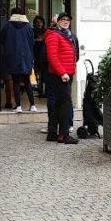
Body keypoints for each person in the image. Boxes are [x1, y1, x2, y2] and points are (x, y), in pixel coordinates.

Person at [45, 12, 79, 144]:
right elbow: (52, 57)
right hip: (61, 75)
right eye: (63, 20)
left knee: (58, 104)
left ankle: (52, 133)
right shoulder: (54, 35)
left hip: (66, 73)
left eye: (68, 20)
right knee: (65, 104)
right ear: (58, 21)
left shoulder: (67, 35)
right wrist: (62, 73)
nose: (66, 22)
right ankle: (63, 135)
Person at [1, 7, 37, 113]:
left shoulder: (7, 26)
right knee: (27, 81)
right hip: (26, 57)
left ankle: (18, 106)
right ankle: (33, 105)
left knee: (15, 81)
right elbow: (32, 43)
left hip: (13, 56)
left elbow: (2, 40)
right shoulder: (28, 27)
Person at [32, 16, 48, 97]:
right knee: (35, 72)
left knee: (43, 73)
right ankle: (37, 87)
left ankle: (42, 90)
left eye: (40, 22)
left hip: (43, 55)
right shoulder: (32, 31)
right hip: (34, 54)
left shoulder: (46, 31)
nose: (39, 24)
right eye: (37, 22)